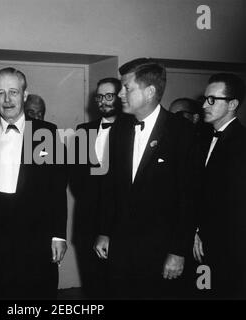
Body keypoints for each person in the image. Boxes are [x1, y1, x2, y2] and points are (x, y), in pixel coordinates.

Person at [94, 58, 196, 299]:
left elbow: (190, 197)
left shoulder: (182, 133)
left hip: (160, 252)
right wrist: (104, 231)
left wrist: (178, 251)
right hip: (120, 249)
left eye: (126, 88)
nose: (119, 94)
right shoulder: (120, 129)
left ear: (150, 92)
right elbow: (111, 187)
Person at [0, 67, 67, 300]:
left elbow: (56, 188)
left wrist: (58, 235)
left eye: (13, 92)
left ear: (24, 95)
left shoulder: (47, 133)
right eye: (0, 93)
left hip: (37, 239)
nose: (7, 99)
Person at [193, 73, 246, 299]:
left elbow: (232, 202)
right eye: (205, 99)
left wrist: (202, 232)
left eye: (213, 100)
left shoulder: (241, 143)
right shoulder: (203, 137)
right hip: (202, 244)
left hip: (229, 247)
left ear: (232, 104)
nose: (205, 105)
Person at [71, 77, 121, 299]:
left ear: (120, 97)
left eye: (109, 95)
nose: (103, 101)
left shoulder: (133, 131)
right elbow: (75, 179)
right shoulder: (83, 130)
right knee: (93, 288)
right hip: (86, 226)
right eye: (99, 97)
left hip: (120, 228)